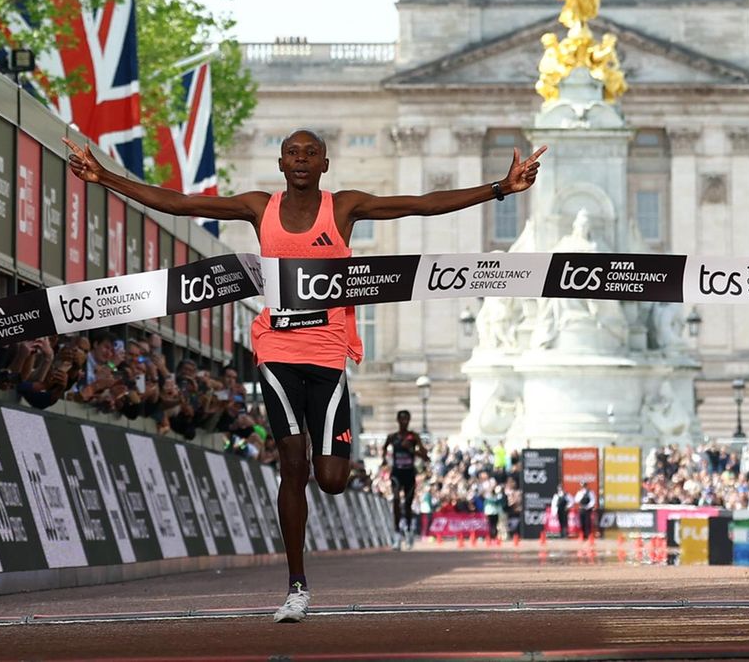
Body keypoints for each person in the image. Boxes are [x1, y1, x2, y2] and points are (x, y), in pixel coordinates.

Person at [66, 129, 544, 623]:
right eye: (292, 153)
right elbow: (182, 203)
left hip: (329, 353)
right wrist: (104, 177)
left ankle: (325, 474)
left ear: (325, 164)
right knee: (292, 465)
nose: (300, 160)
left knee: (331, 479)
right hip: (276, 349)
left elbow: (420, 204)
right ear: (280, 163)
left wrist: (499, 189)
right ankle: (296, 586)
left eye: (310, 153)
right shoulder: (258, 207)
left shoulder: (343, 208)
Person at [382, 409, 428, 551]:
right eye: (401, 419)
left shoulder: (413, 437)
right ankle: (396, 534)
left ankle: (408, 531)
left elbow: (425, 456)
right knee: (396, 501)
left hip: (409, 473)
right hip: (396, 473)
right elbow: (383, 450)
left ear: (409, 420)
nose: (404, 421)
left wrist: (411, 450)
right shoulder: (392, 437)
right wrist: (384, 461)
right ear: (397, 420)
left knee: (407, 505)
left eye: (406, 419)